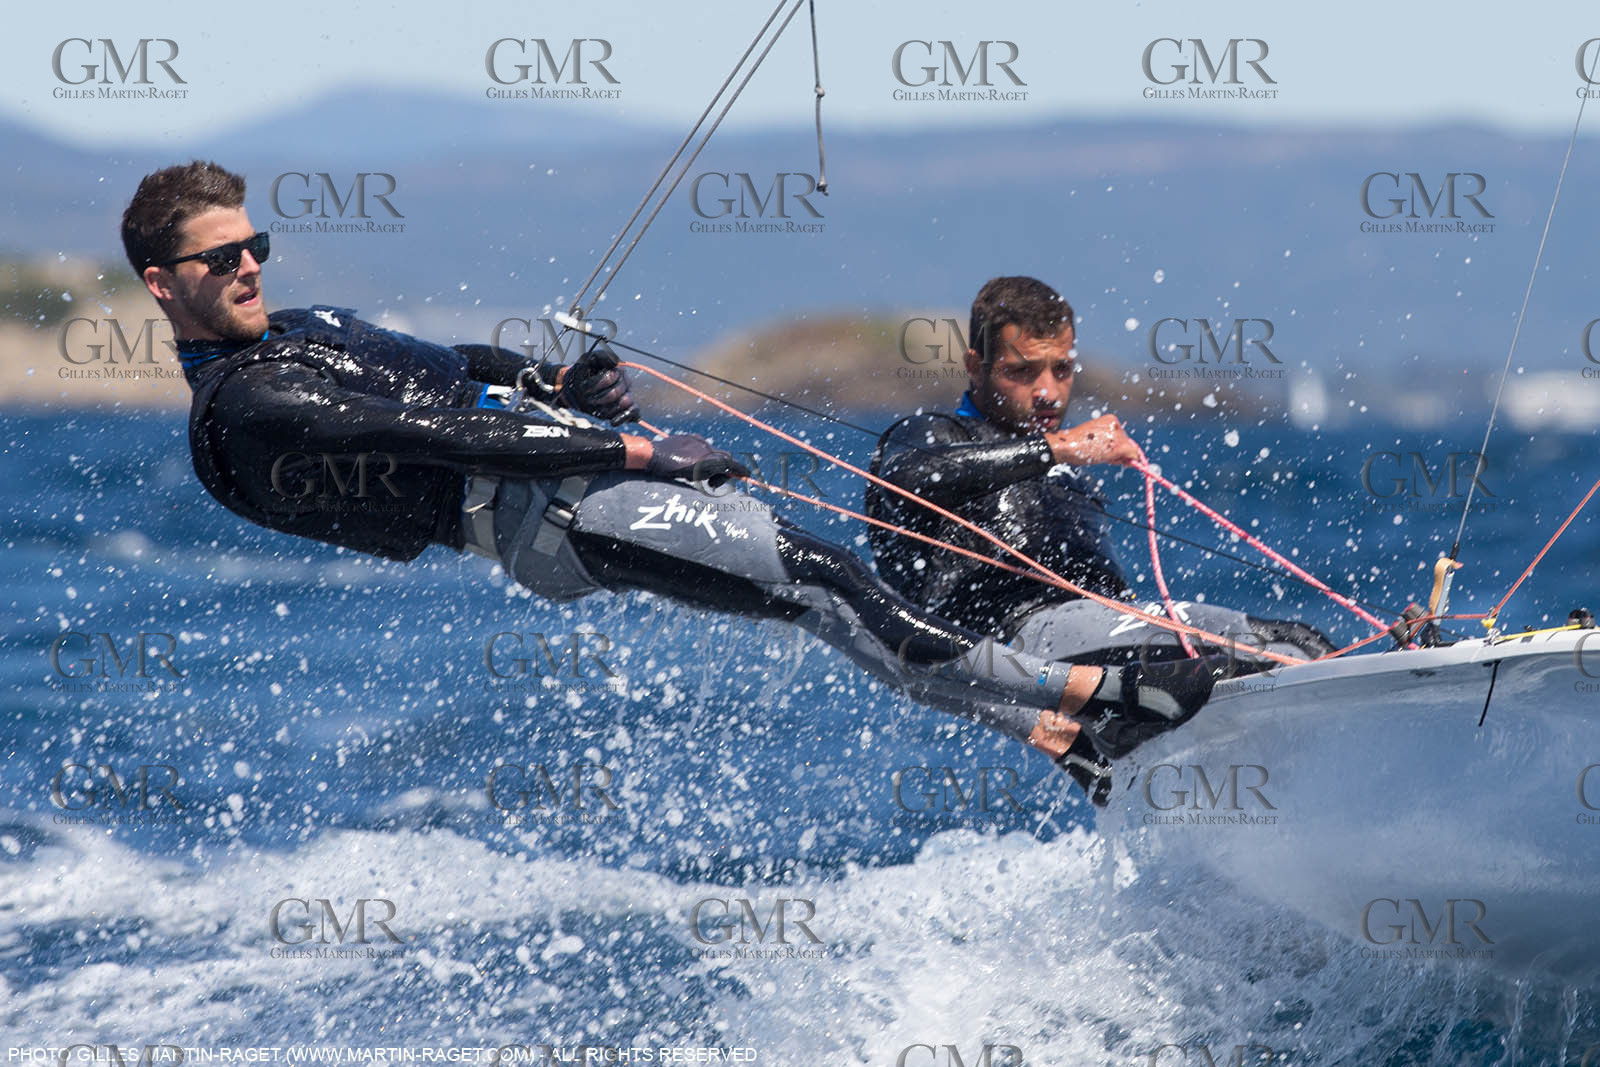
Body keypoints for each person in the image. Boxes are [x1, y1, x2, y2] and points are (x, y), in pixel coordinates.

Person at [121, 162, 1221, 790]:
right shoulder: (249, 405)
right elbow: (453, 442)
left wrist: (559, 378)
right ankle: (1110, 696)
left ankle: (1069, 736)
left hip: (576, 481)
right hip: (550, 515)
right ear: (162, 285)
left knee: (819, 595)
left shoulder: (300, 330)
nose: (250, 266)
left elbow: (464, 374)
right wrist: (636, 448)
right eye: (221, 259)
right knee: (828, 576)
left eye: (253, 242)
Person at [867, 276, 1336, 800]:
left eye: (1062, 369)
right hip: (1024, 645)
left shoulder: (1069, 476)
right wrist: (1058, 448)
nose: (1047, 391)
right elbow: (908, 477)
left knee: (1301, 639)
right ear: (975, 367)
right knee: (1262, 658)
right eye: (1021, 372)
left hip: (1108, 627)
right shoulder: (934, 435)